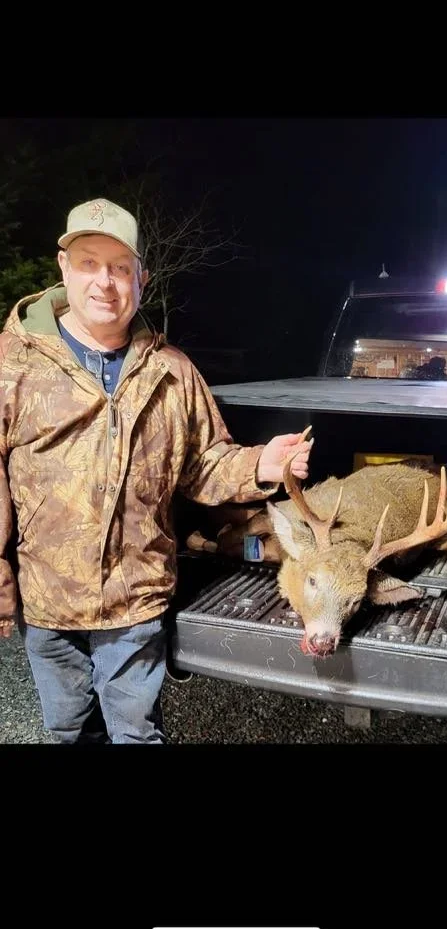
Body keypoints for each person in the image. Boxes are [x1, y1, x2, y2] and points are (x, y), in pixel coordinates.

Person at [0, 198, 312, 744]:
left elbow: (204, 465)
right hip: (48, 600)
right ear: (64, 268)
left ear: (141, 279)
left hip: (136, 600)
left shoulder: (173, 371)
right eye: (90, 263)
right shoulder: (12, 362)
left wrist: (260, 464)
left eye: (120, 267)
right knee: (68, 730)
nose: (105, 282)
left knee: (137, 733)